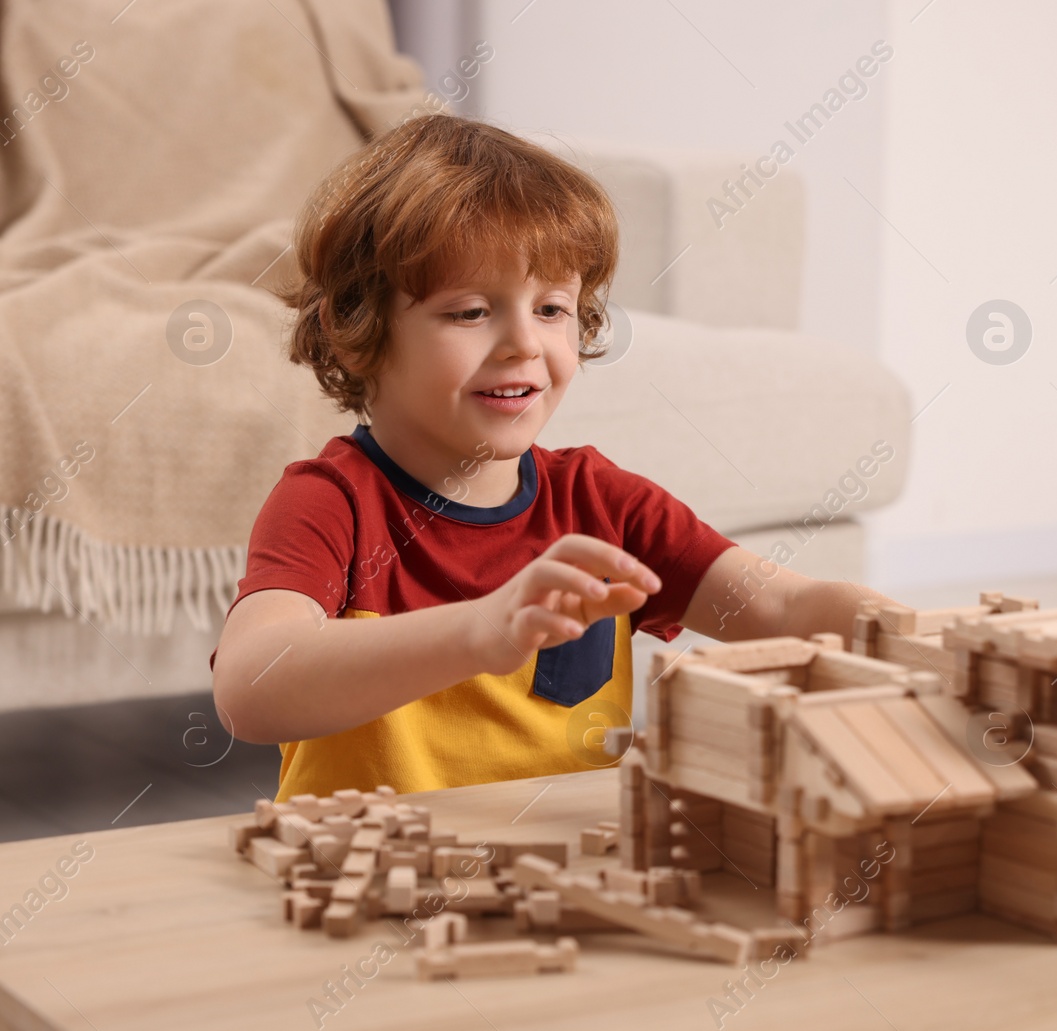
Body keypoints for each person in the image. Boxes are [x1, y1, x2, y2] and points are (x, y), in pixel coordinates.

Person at [209, 114, 901, 800]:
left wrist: (910, 633)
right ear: (356, 326)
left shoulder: (606, 503)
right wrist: (480, 630)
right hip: (376, 888)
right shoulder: (330, 503)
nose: (524, 344)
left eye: (551, 308)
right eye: (471, 311)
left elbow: (782, 609)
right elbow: (251, 690)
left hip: (560, 886)